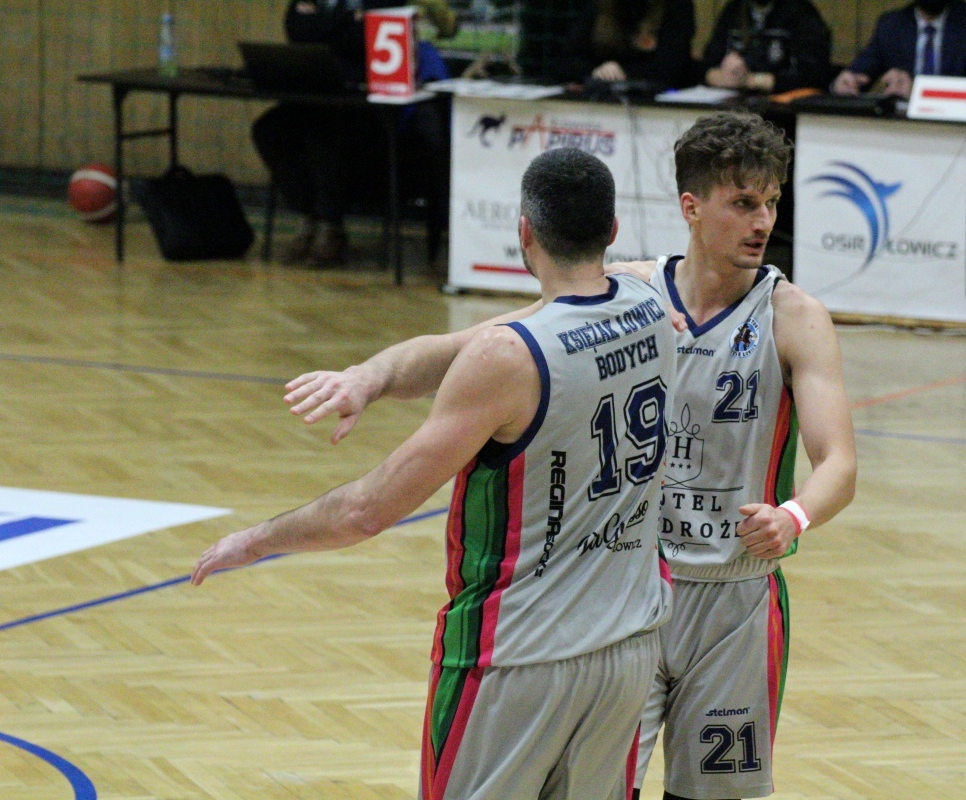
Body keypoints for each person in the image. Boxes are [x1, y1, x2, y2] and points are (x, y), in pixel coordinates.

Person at [285, 111, 858, 800]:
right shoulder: (629, 295)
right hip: (630, 598)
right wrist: (369, 377)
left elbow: (839, 463)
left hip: (735, 597)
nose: (762, 220)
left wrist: (795, 516)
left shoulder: (794, 316)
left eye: (771, 202)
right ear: (692, 207)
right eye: (743, 203)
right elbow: (477, 347)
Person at [192, 147, 677, 800]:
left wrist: (256, 541)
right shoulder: (649, 300)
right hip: (629, 649)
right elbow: (456, 350)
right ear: (612, 229)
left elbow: (366, 510)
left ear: (524, 233)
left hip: (519, 657)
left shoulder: (510, 356)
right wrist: (371, 376)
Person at [252, 0, 455, 267]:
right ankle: (308, 215)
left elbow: (361, 40)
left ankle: (330, 226)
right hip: (314, 96)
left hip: (372, 108)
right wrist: (349, 19)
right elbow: (297, 30)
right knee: (269, 129)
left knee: (323, 129)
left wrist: (326, 26)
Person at [831, 0, 966, 99]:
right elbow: (860, 71)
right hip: (901, 128)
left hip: (956, 128)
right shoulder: (892, 24)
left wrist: (918, 91)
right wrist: (844, 83)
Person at [556, 0, 697, 90]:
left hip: (656, 103)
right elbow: (566, 62)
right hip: (600, 99)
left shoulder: (676, 6)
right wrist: (596, 71)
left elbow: (673, 68)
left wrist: (623, 72)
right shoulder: (598, 6)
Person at [702, 0, 833, 94]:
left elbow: (815, 75)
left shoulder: (801, 12)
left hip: (782, 109)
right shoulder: (734, 9)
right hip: (734, 105)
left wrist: (752, 80)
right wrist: (720, 77)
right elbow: (706, 66)